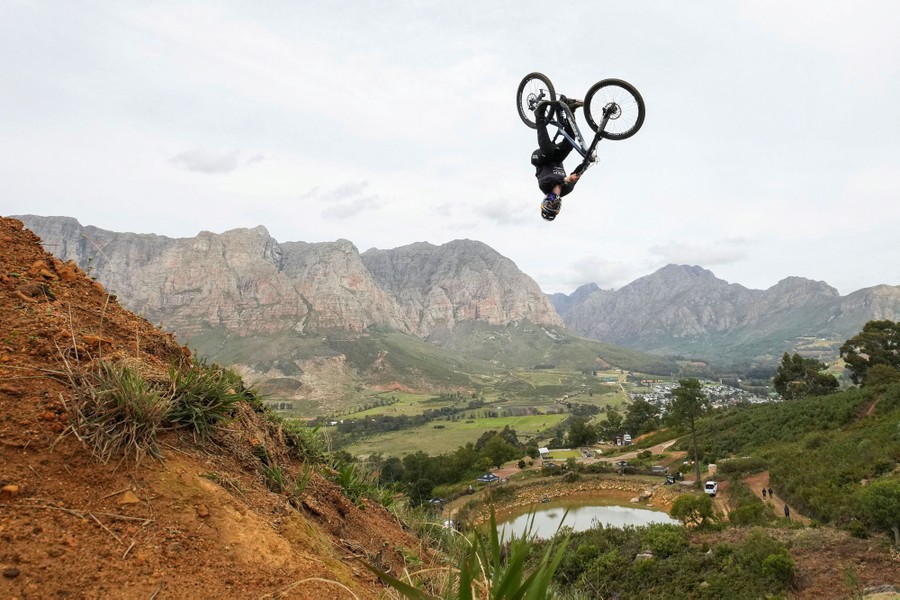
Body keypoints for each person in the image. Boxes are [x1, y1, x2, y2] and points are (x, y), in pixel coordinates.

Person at [532, 97, 584, 221]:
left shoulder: (544, 186)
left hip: (540, 159)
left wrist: (566, 179)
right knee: (570, 144)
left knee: (548, 151)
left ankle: (539, 115)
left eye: (548, 203)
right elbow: (576, 174)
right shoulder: (567, 189)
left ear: (544, 200)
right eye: (554, 206)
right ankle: (570, 110)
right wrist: (586, 163)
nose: (552, 202)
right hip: (557, 158)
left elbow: (553, 179)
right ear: (559, 205)